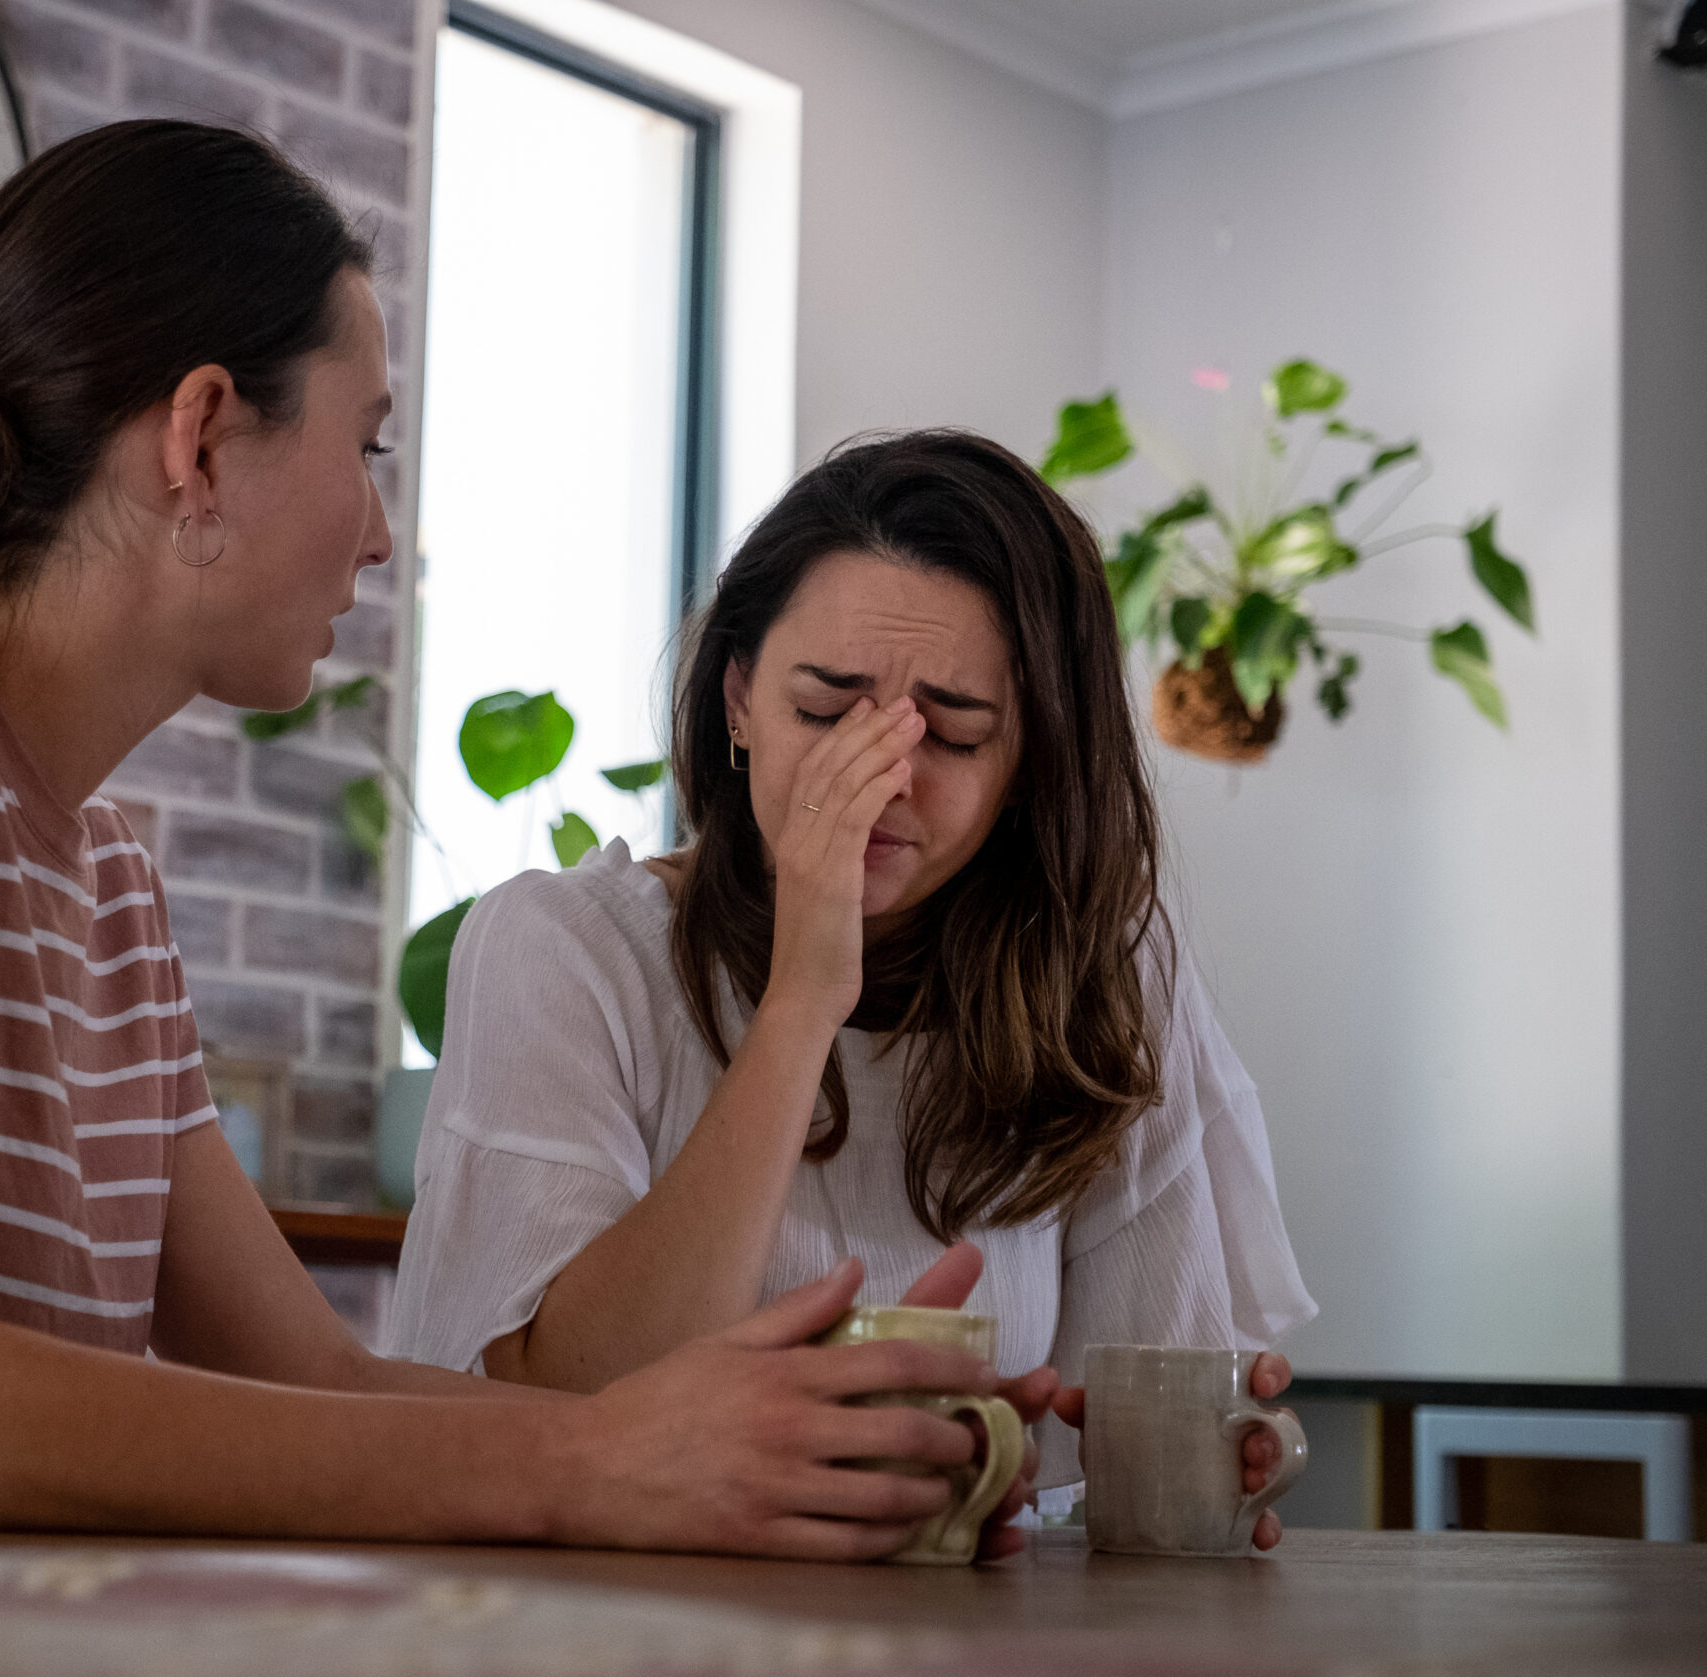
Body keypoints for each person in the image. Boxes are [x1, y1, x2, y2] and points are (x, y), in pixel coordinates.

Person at [0, 121, 1021, 1562]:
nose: (381, 530)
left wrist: (782, 1447)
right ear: (200, 434)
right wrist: (594, 1456)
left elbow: (316, 1376)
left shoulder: (103, 878)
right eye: (367, 442)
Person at [382, 431, 1317, 1545]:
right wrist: (799, 1000)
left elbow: (1128, 1434)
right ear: (737, 699)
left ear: (1030, 764)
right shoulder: (565, 950)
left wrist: (1181, 1462)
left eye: (955, 735)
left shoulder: (1105, 976)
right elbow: (565, 1404)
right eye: (825, 714)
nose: (878, 779)